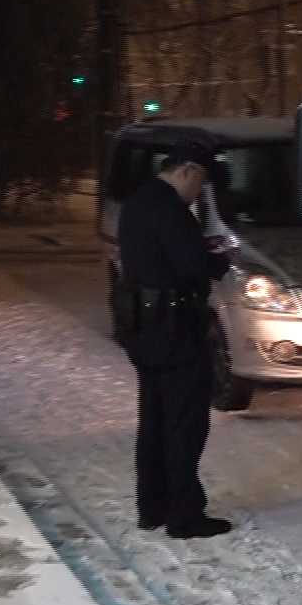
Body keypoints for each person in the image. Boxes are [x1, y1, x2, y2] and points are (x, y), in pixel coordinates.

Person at [113, 140, 235, 539]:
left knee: (154, 421)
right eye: (199, 183)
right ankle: (184, 515)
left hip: (143, 328)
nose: (198, 193)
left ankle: (152, 507)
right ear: (188, 171)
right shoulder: (171, 210)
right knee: (184, 425)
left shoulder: (137, 203)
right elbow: (192, 267)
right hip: (175, 331)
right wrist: (219, 259)